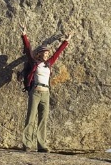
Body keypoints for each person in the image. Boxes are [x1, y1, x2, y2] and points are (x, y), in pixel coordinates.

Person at [20, 24, 73, 152]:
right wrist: (24, 35)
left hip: (46, 93)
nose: (46, 54)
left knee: (43, 119)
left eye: (47, 52)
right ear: (39, 54)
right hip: (36, 92)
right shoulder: (35, 63)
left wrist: (67, 40)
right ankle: (27, 144)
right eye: (44, 52)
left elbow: (58, 53)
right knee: (31, 117)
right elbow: (28, 50)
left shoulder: (49, 64)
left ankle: (42, 145)